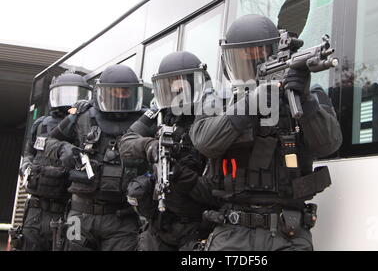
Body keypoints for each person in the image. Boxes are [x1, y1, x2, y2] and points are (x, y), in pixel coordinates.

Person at [186, 14, 343, 251]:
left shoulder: (304, 93)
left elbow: (329, 144)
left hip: (287, 233)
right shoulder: (217, 99)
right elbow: (205, 142)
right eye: (240, 61)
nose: (250, 69)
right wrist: (250, 104)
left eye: (256, 58)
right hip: (231, 231)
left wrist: (306, 99)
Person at [119, 51, 222, 251]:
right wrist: (150, 147)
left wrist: (186, 178)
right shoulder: (161, 113)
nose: (176, 89)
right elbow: (127, 141)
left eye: (181, 83)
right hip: (159, 224)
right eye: (169, 84)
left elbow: (219, 191)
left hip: (199, 227)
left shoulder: (214, 114)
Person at [44, 65, 146, 251]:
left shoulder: (145, 122)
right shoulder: (82, 116)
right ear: (102, 92)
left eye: (125, 92)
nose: (120, 96)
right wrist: (62, 149)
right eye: (116, 91)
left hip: (122, 219)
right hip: (79, 216)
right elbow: (46, 142)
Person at [14, 72, 92, 251]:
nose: (67, 100)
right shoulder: (41, 124)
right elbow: (28, 153)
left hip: (71, 210)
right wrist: (26, 167)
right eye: (63, 93)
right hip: (36, 208)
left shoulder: (85, 124)